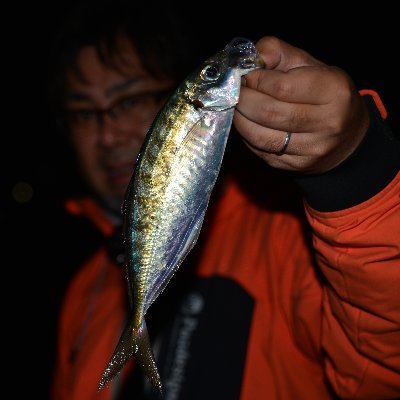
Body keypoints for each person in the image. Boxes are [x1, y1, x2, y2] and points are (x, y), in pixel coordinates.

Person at [47, 0, 400, 399]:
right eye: (83, 113)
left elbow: (385, 371)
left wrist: (355, 171)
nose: (107, 136)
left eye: (129, 100)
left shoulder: (291, 233)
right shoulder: (82, 293)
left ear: (171, 93)